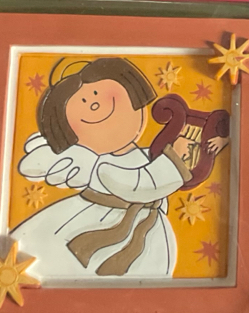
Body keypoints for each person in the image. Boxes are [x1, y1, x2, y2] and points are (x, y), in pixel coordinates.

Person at [11, 57, 225, 279]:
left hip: (146, 226)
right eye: (82, 101)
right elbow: (140, 185)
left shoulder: (149, 154)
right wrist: (173, 161)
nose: (93, 105)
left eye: (96, 93)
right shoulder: (102, 169)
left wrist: (219, 142)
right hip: (99, 221)